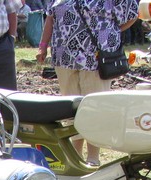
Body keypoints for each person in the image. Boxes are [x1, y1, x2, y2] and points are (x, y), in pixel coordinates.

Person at [36, 0, 137, 166]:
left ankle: (93, 157)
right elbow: (50, 17)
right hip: (64, 57)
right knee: (70, 109)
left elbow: (132, 14)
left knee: (94, 107)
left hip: (96, 58)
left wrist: (109, 32)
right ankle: (75, 156)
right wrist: (43, 45)